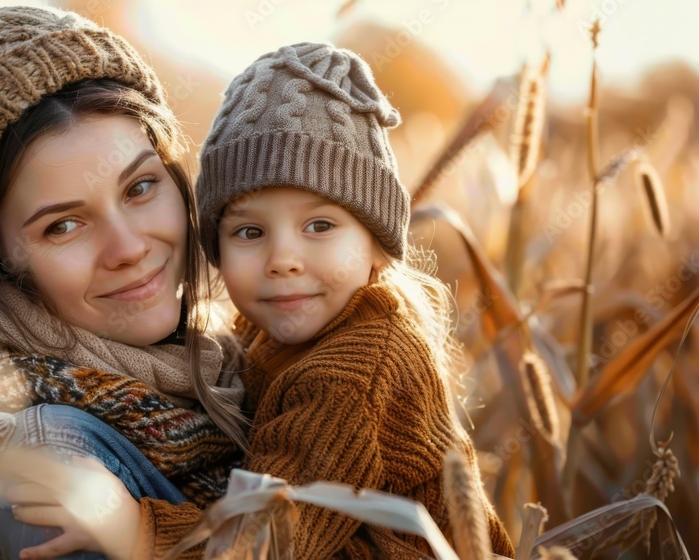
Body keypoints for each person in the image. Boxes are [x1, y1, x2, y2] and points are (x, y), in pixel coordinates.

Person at [0, 6, 247, 559]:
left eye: (140, 187)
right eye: (63, 225)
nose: (128, 248)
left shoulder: (243, 353)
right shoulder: (44, 457)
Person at [131, 42, 517, 558]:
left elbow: (267, 545)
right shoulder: (270, 327)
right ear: (216, 247)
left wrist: (128, 527)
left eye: (320, 225)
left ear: (377, 245)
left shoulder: (352, 375)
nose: (282, 259)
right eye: (249, 231)